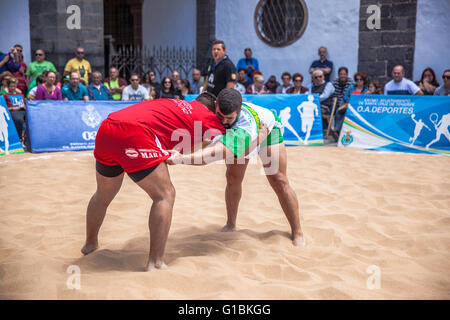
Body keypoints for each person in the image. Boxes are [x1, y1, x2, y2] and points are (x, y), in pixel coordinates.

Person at [81, 93, 227, 271]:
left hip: (108, 126)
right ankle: (155, 262)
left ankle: (90, 244)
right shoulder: (206, 116)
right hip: (134, 132)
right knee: (165, 195)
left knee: (103, 194)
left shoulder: (174, 103)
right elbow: (233, 136)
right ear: (213, 107)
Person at [167, 88, 305, 247]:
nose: (224, 121)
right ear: (215, 105)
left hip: (267, 131)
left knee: (279, 180)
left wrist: (181, 159)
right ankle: (231, 224)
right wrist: (178, 151)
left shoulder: (245, 125)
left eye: (229, 118)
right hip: (247, 138)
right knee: (232, 178)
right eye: (220, 116)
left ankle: (297, 231)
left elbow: (240, 152)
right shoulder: (213, 111)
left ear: (239, 111)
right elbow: (203, 140)